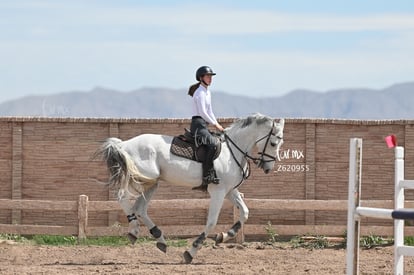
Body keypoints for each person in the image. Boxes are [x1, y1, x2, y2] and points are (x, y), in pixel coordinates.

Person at [188, 66, 224, 190]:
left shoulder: (207, 92)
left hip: (204, 124)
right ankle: (206, 176)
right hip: (198, 125)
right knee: (213, 144)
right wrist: (215, 124)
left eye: (211, 77)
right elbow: (203, 112)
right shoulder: (200, 92)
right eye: (208, 76)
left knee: (219, 140)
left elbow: (210, 111)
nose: (210, 79)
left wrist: (218, 125)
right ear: (201, 78)